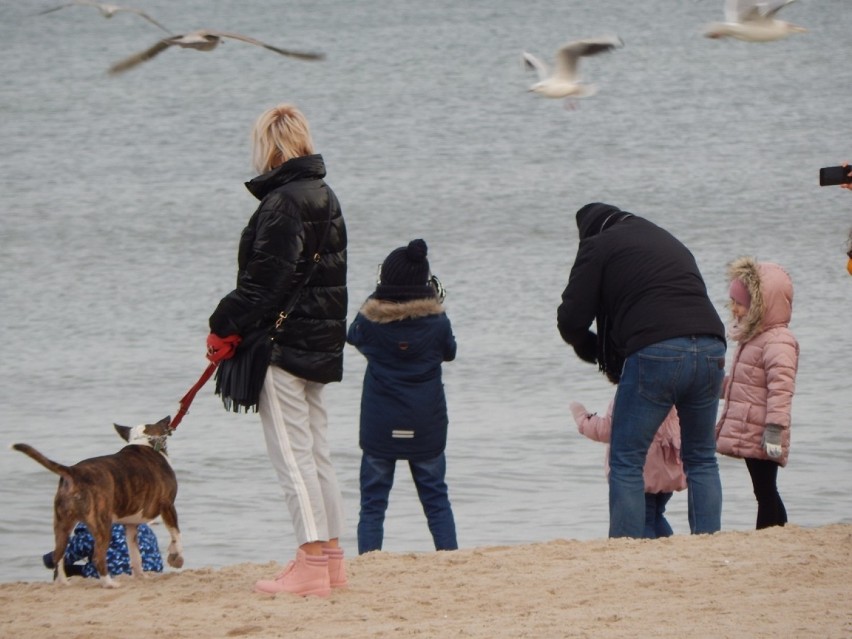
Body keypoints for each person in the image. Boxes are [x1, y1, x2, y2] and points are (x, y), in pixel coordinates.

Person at [206, 103, 348, 597]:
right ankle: (330, 560)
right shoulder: (325, 195)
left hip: (284, 346)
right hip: (319, 340)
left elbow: (262, 284)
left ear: (268, 145)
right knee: (318, 452)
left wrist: (221, 325)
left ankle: (310, 563)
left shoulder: (283, 202)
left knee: (293, 457)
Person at [557, 202, 727, 539]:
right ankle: (709, 544)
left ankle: (626, 549)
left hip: (657, 351)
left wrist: (592, 351)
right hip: (712, 345)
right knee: (702, 457)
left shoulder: (598, 244)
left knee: (626, 459)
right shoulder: (665, 239)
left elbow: (570, 319)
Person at [347, 239, 458, 554]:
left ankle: (369, 562)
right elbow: (450, 352)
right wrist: (433, 301)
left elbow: (351, 335)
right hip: (426, 422)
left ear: (385, 282)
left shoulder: (370, 323)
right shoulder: (437, 322)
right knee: (436, 500)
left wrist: (376, 296)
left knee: (372, 504)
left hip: (380, 424)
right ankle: (450, 559)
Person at [715, 257, 799, 530]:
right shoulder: (754, 338)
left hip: (764, 429)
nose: (736, 310)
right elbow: (746, 386)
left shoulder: (778, 341)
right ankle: (779, 531)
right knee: (764, 489)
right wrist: (716, 384)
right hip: (751, 425)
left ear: (760, 305)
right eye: (733, 304)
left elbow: (781, 389)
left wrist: (774, 429)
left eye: (741, 304)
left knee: (765, 490)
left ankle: (768, 534)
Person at [570, 382, 686, 539]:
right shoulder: (670, 389)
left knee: (644, 518)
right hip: (668, 469)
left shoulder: (629, 389)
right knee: (656, 514)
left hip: (643, 470)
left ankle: (650, 553)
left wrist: (581, 417)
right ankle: (667, 549)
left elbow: (606, 430)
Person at [42, 523, 162, 579]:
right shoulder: (141, 524)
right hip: (152, 571)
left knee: (63, 567)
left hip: (115, 572)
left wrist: (48, 558)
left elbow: (62, 557)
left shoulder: (95, 526)